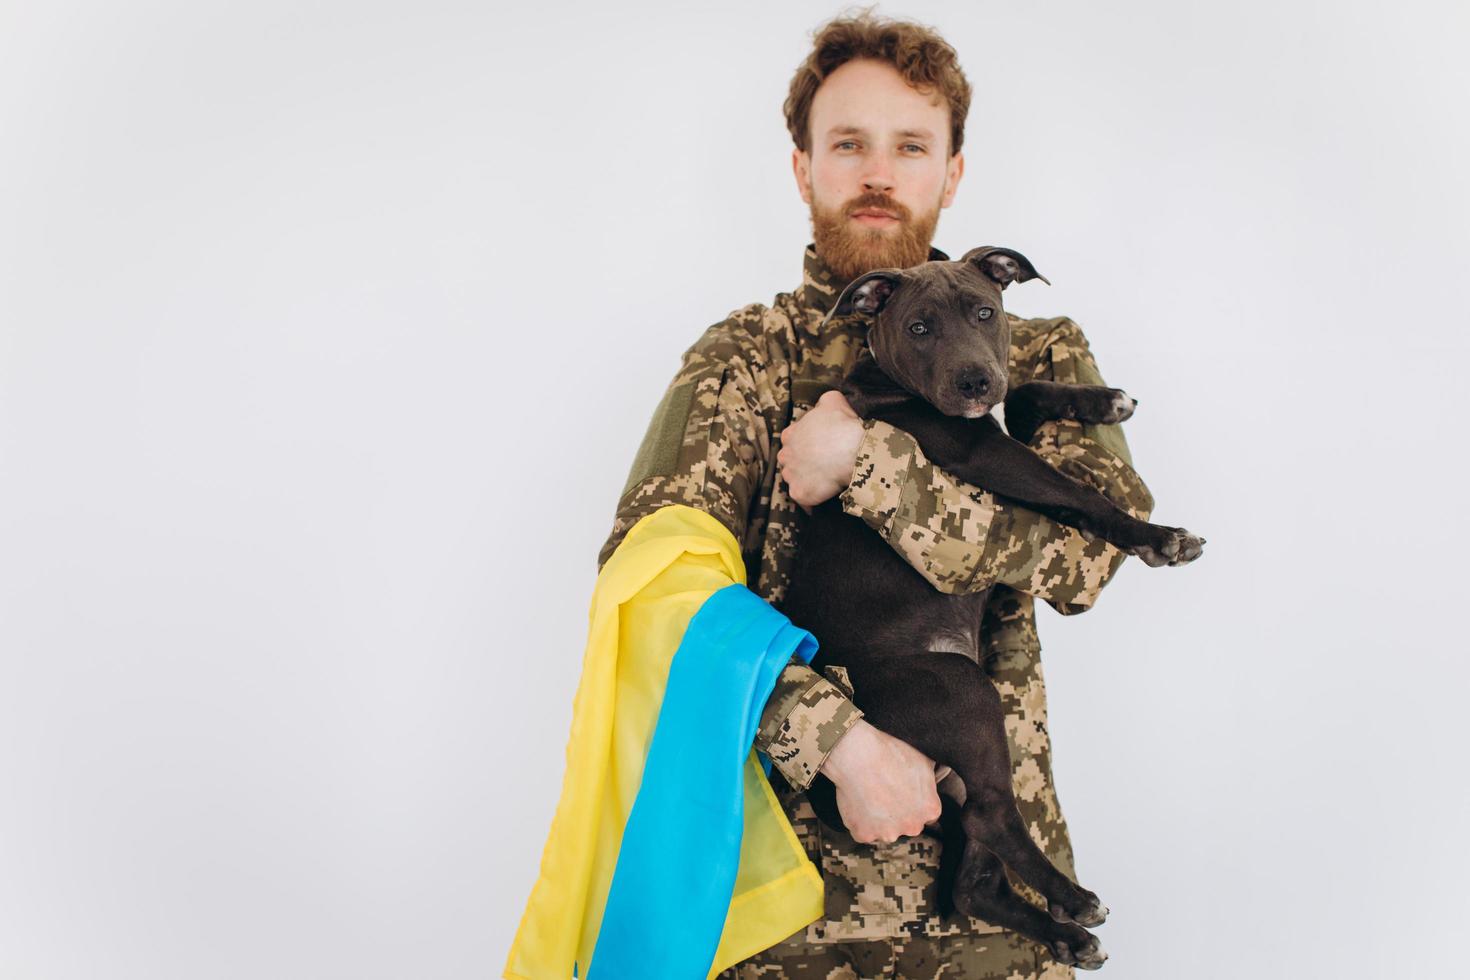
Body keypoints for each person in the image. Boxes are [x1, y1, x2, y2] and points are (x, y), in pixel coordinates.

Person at [596, 11, 1155, 979]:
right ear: (803, 165)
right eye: (848, 143)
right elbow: (654, 587)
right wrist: (838, 741)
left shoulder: (1036, 346)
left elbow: (1088, 556)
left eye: (911, 145)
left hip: (996, 911)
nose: (878, 174)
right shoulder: (746, 356)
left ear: (953, 171)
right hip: (783, 907)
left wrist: (869, 468)